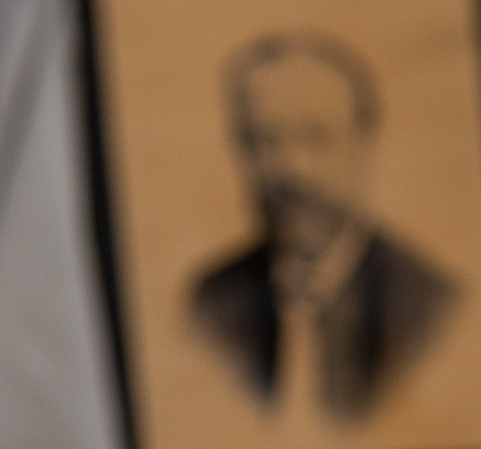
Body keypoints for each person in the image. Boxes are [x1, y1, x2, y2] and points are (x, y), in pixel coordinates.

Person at [193, 32, 454, 422]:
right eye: (265, 140)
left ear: (364, 144)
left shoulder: (429, 304)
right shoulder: (211, 304)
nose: (292, 167)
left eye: (316, 137)